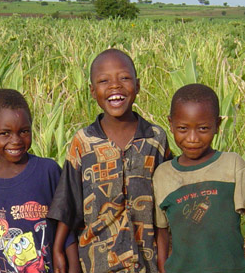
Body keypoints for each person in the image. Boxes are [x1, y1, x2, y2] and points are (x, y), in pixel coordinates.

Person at [48, 49, 172, 273]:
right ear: (93, 91)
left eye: (124, 78)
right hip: (96, 260)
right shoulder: (83, 142)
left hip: (147, 260)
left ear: (138, 85)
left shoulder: (156, 139)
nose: (115, 86)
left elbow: (167, 205)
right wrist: (57, 248)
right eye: (104, 81)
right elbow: (68, 200)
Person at [153, 83, 245, 273]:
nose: (192, 138)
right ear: (171, 124)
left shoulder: (232, 165)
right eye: (183, 128)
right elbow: (161, 232)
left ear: (217, 125)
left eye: (203, 128)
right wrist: (162, 268)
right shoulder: (163, 175)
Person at [0, 89, 78, 273]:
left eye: (24, 131)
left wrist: (74, 267)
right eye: (5, 133)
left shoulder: (47, 171)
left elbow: (67, 222)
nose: (16, 140)